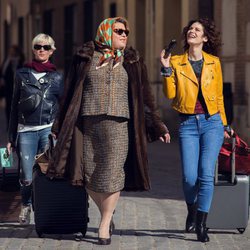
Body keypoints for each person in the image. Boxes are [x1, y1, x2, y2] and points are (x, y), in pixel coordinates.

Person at [47, 17, 170, 245]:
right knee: (89, 174)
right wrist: (59, 125)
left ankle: (104, 223)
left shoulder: (132, 61)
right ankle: (108, 212)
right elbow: (69, 93)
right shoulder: (84, 58)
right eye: (119, 31)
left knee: (113, 174)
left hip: (120, 125)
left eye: (126, 31)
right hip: (87, 124)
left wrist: (157, 124)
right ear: (105, 32)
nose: (124, 34)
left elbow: (145, 97)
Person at [160, 18, 231, 242]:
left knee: (206, 174)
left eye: (197, 29)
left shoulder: (214, 62)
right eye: (190, 29)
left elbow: (219, 96)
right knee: (190, 178)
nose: (192, 31)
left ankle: (202, 224)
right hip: (188, 124)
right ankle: (192, 209)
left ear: (205, 38)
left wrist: (225, 124)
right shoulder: (177, 61)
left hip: (212, 123)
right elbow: (170, 95)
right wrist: (165, 69)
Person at [7, 34, 63, 225]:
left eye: (46, 47)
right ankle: (26, 204)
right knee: (26, 174)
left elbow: (62, 107)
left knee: (46, 172)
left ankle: (42, 207)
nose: (42, 50)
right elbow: (14, 106)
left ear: (52, 50)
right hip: (25, 131)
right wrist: (10, 136)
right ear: (33, 49)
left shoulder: (57, 77)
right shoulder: (21, 74)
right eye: (38, 46)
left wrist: (58, 130)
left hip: (47, 130)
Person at [0, 45, 24, 126]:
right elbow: (2, 70)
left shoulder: (20, 61)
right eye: (10, 51)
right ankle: (9, 124)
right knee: (8, 106)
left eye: (13, 51)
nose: (11, 52)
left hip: (16, 87)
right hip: (7, 87)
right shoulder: (7, 60)